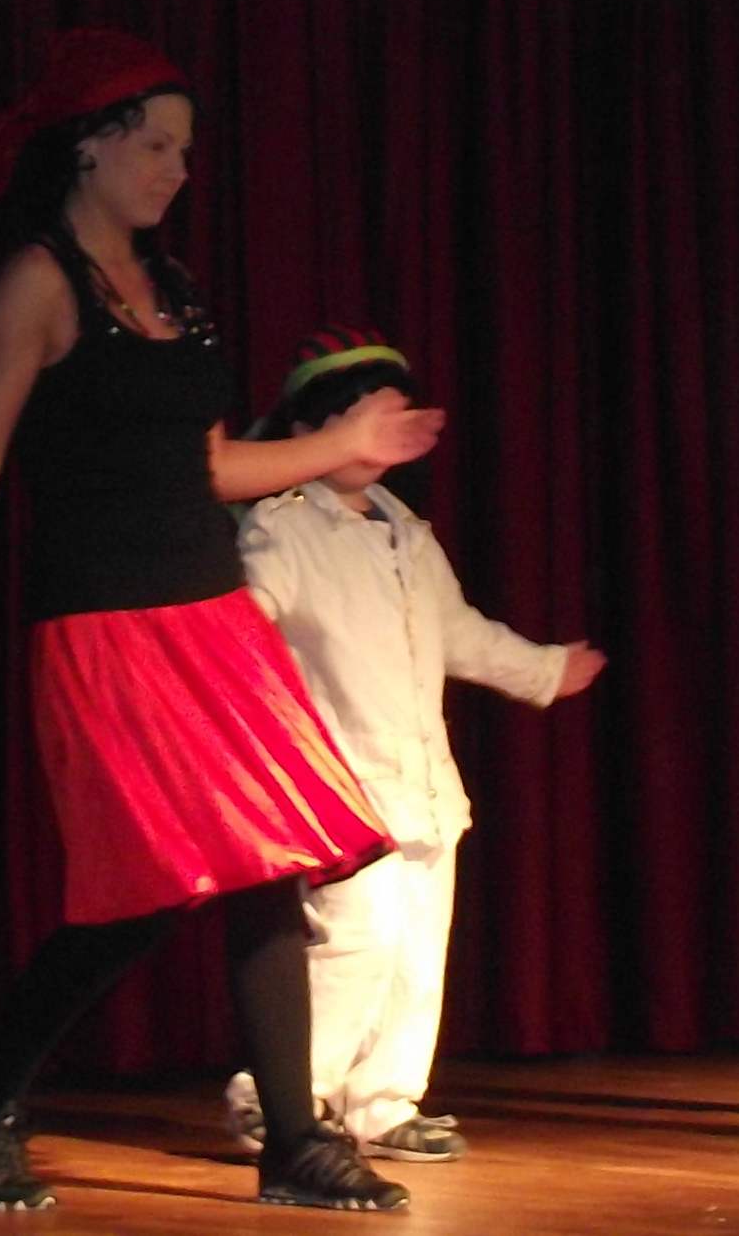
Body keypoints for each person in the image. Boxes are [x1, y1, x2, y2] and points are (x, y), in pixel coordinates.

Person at [0, 28, 441, 1213]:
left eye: (185, 151)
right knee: (144, 890)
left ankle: (295, 1143)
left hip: (212, 619)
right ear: (90, 147)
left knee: (271, 864)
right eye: (155, 145)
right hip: (107, 628)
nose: (177, 169)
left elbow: (213, 467)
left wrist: (344, 441)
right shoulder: (39, 283)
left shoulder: (179, 292)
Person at [215, 328, 607, 1165]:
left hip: (423, 786)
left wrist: (544, 668)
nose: (392, 433)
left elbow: (458, 631)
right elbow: (244, 625)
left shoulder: (406, 531)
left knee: (417, 951)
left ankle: (384, 1102)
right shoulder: (284, 528)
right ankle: (280, 1098)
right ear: (316, 427)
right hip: (342, 786)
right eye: (372, 415)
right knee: (353, 944)